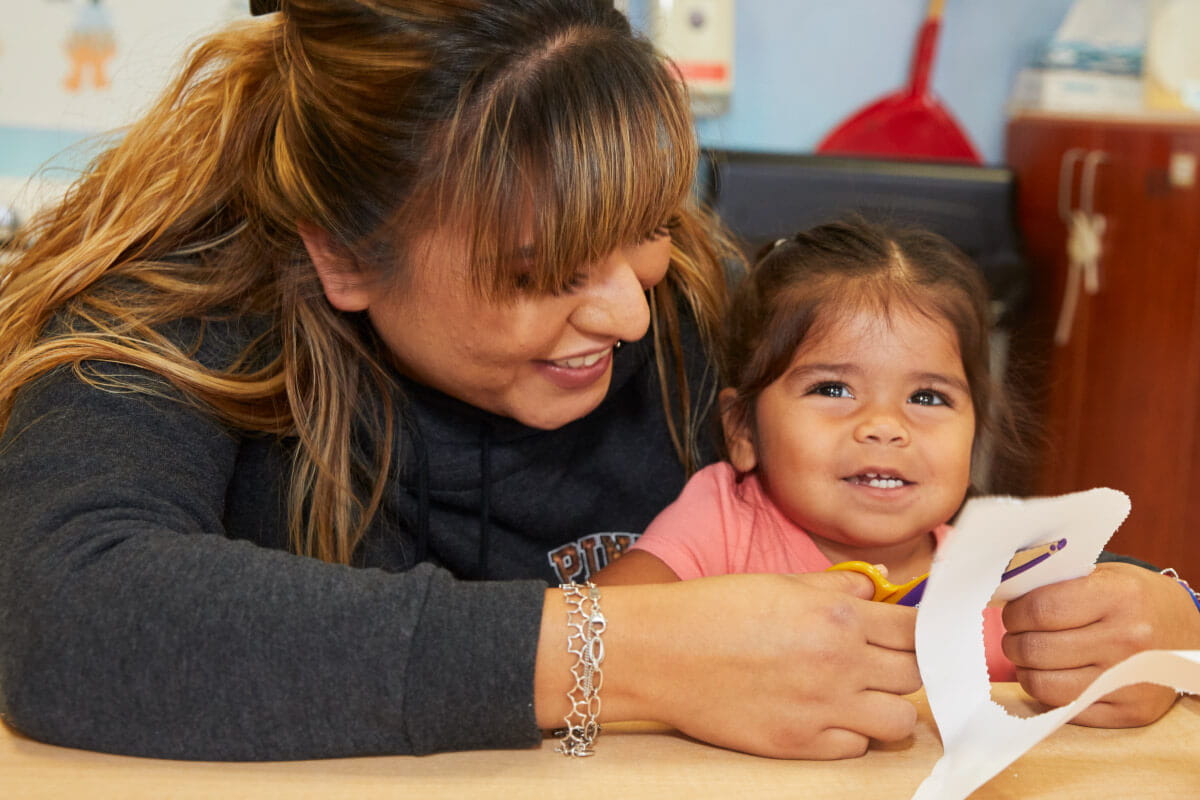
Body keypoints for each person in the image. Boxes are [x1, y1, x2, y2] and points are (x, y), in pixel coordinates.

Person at [0, 0, 923, 762]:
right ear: (346, 257)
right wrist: (632, 653)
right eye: (540, 273)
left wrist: (1016, 614)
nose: (627, 317)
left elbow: (886, 515)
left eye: (646, 224)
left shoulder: (687, 301)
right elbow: (64, 615)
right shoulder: (173, 313)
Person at [595, 218, 1200, 727]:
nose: (885, 426)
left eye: (929, 398)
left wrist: (1148, 671)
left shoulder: (1006, 580)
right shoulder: (721, 517)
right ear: (743, 431)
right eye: (833, 388)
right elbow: (598, 630)